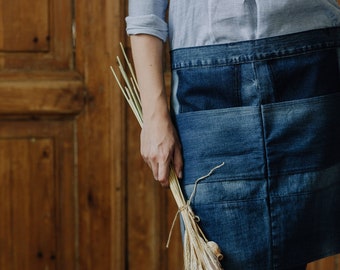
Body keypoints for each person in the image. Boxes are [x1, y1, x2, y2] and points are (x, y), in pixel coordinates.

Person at [126, 1, 340, 269]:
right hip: (207, 74)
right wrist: (154, 115)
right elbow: (145, 11)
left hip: (307, 61)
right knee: (222, 256)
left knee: (296, 251)